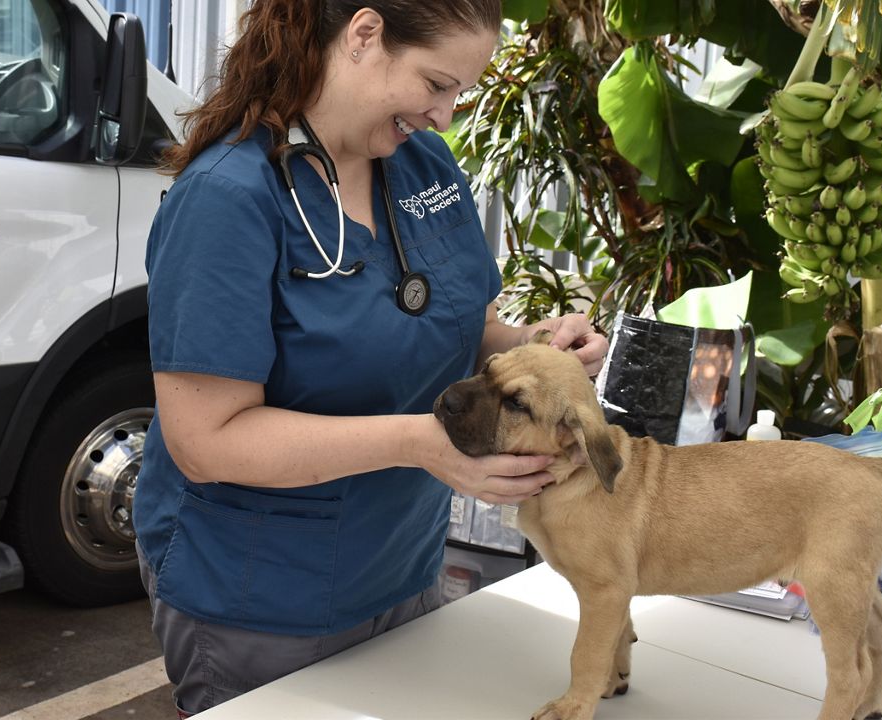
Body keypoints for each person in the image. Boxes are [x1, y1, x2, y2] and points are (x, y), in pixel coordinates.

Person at [134, 0, 609, 715]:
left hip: (403, 567)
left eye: (459, 93)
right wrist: (420, 443)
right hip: (262, 598)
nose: (446, 115)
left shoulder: (423, 165)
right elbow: (206, 441)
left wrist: (534, 353)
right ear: (364, 36)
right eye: (436, 84)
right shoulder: (227, 198)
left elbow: (467, 326)